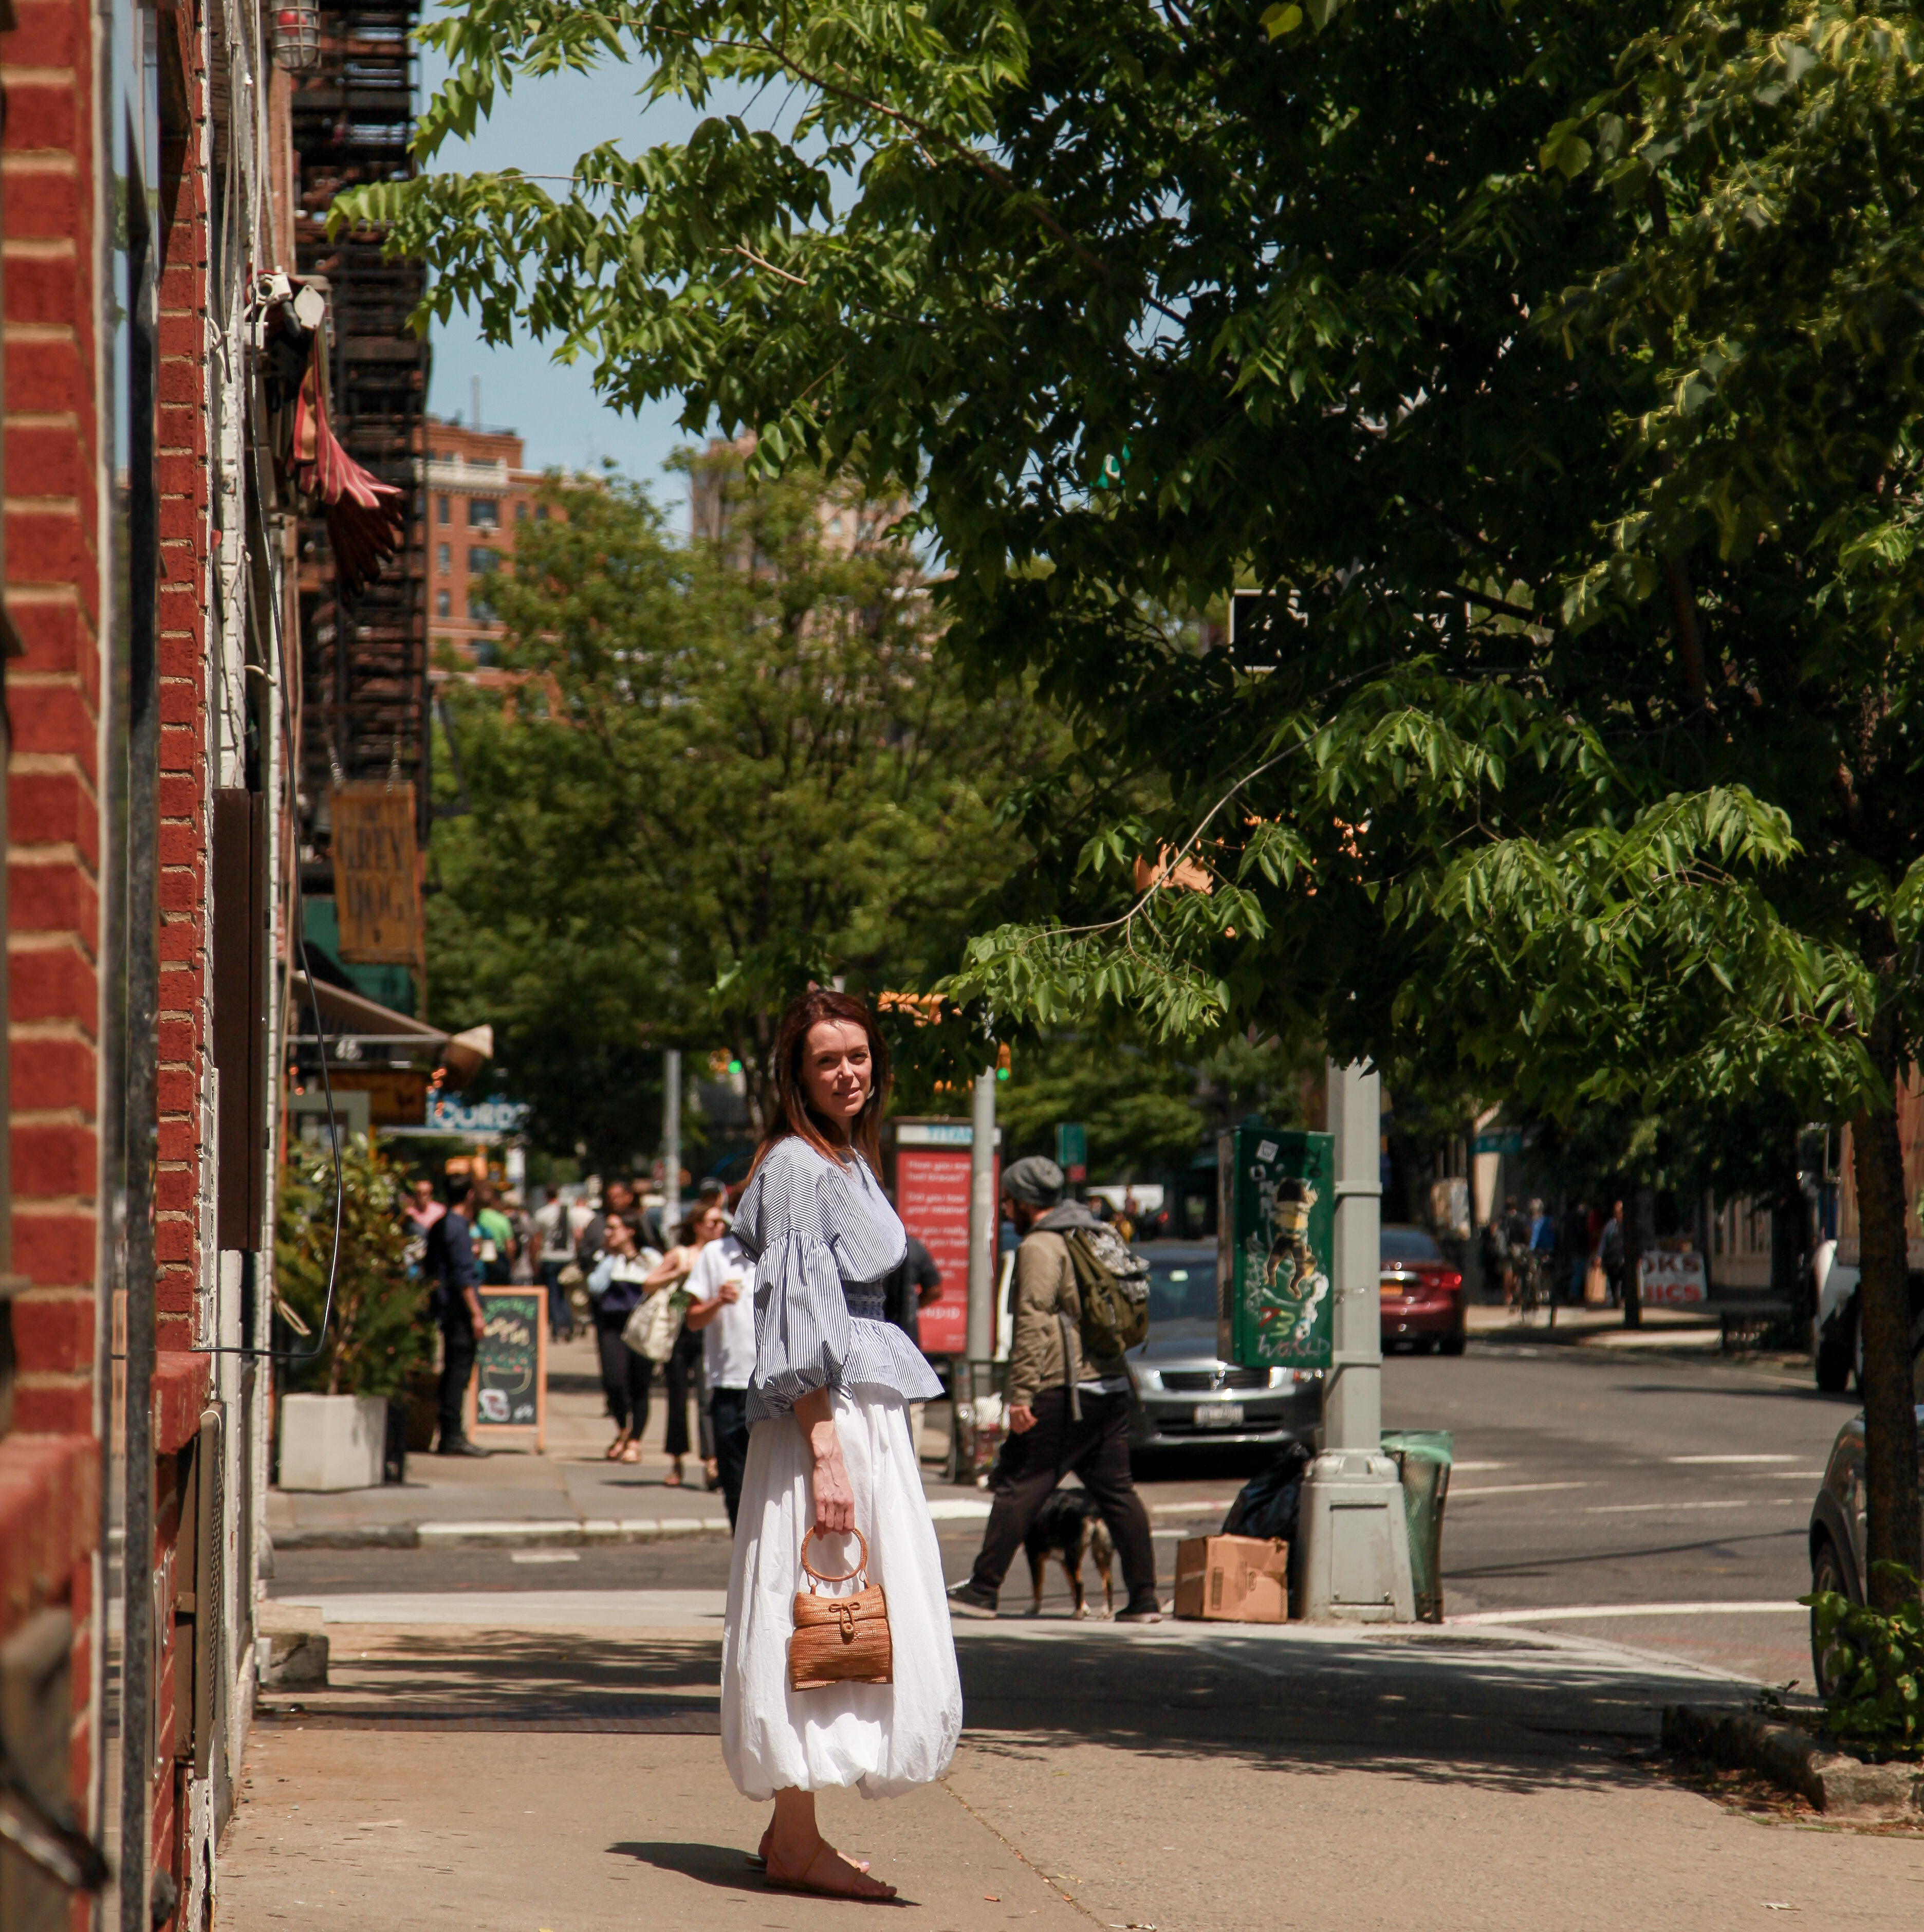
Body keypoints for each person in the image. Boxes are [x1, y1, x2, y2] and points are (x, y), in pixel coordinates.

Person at [721, 987, 957, 1901]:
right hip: (829, 1417)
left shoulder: (843, 1156)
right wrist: (825, 1452)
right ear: (795, 1073)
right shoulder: (797, 1165)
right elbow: (795, 1324)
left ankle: (792, 1829)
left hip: (857, 1409)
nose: (846, 1072)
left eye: (857, 1055)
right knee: (811, 1602)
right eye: (827, 1059)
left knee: (825, 1602)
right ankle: (796, 1837)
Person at [947, 1155, 1161, 1623]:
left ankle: (983, 1590)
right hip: (1108, 1386)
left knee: (1018, 1484)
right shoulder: (1094, 1230)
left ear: (1025, 1202)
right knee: (1118, 1493)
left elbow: (1034, 1323)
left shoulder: (1041, 1245)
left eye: (1007, 1201)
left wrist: (1020, 1394)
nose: (1005, 1210)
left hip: (1064, 1390)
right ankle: (1144, 1598)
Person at [643, 1202, 729, 1487]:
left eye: (721, 1223)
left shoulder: (722, 1256)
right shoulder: (681, 1254)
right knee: (677, 1399)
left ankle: (711, 1461)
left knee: (707, 1399)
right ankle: (677, 1461)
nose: (719, 1228)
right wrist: (676, 1274)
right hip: (680, 1333)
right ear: (697, 1226)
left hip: (709, 1334)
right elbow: (648, 1283)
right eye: (712, 1223)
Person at [684, 1213, 756, 1526]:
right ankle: (742, 1557)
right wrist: (717, 1301)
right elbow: (693, 1319)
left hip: (777, 1386)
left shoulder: (785, 1254)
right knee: (736, 1483)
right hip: (730, 1384)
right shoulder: (715, 1254)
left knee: (777, 1486)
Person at [586, 1209, 661, 1463]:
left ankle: (635, 1441)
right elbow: (594, 1287)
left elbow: (661, 1282)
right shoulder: (607, 1258)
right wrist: (610, 1258)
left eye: (613, 1228)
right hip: (612, 1325)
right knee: (614, 1382)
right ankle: (622, 1430)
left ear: (630, 1231)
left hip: (641, 1327)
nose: (607, 1234)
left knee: (640, 1384)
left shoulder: (650, 1257)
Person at [423, 1174, 489, 1458]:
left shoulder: (440, 1225)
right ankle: (452, 1435)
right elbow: (464, 1278)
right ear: (470, 1195)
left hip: (443, 1308)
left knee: (452, 1369)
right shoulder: (458, 1229)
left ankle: (448, 1432)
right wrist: (476, 1314)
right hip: (459, 1312)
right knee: (458, 1373)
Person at [879, 1193, 943, 1466]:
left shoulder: (860, 1248)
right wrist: (915, 1306)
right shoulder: (912, 1246)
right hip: (906, 1339)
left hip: (869, 1340)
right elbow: (936, 1289)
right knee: (912, 1407)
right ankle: (911, 1467)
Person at [534, 1188, 577, 1341]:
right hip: (568, 1257)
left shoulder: (542, 1214)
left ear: (546, 1196)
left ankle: (556, 1328)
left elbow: (537, 1240)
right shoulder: (570, 1212)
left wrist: (535, 1260)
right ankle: (568, 1326)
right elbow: (577, 1235)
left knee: (553, 1293)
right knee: (566, 1294)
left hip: (549, 1257)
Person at [472, 1181, 516, 1287]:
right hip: (499, 1260)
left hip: (478, 1261)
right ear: (494, 1201)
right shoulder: (502, 1220)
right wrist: (511, 1264)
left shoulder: (475, 1219)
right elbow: (510, 1245)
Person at [1599, 1198, 1631, 1323]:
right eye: (1618, 1210)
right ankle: (1615, 1299)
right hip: (1611, 1258)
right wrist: (1599, 1256)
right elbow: (1603, 1241)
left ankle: (1622, 1299)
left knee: (1625, 1278)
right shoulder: (1610, 1225)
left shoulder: (1628, 1226)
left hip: (1623, 1258)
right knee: (1613, 1280)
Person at [1562, 1197, 1592, 1304]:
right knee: (1578, 1273)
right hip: (1579, 1249)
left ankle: (1573, 1295)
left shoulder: (1568, 1217)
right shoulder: (1579, 1218)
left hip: (1571, 1249)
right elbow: (1582, 1234)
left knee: (1575, 1273)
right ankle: (1574, 1295)